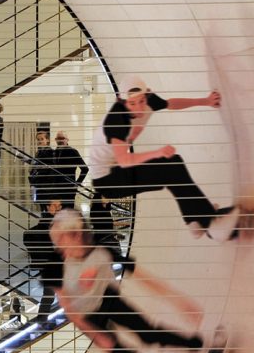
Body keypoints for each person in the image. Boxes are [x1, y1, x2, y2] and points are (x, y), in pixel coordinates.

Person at [51, 210, 224, 353]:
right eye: (62, 240)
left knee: (150, 335)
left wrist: (178, 300)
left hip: (109, 300)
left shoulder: (102, 252)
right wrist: (96, 335)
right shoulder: (56, 269)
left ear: (80, 234)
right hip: (91, 318)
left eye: (70, 237)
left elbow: (143, 276)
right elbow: (69, 310)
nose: (67, 245)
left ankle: (202, 345)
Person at [86, 84, 239, 253]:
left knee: (173, 165)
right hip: (108, 181)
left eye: (142, 101)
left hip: (115, 170)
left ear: (147, 95)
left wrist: (206, 101)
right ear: (122, 102)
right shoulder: (116, 120)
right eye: (132, 104)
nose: (139, 108)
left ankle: (195, 222)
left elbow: (171, 103)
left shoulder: (149, 101)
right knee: (170, 167)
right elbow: (125, 160)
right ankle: (210, 224)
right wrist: (157, 153)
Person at [24, 199, 66, 313]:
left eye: (60, 205)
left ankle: (42, 320)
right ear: (47, 207)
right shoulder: (47, 222)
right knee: (50, 294)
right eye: (55, 205)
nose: (58, 208)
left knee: (50, 294)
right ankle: (42, 320)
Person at [32, 130, 86, 206]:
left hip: (68, 189)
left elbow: (85, 169)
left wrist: (77, 183)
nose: (60, 140)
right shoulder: (55, 152)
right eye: (58, 138)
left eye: (62, 138)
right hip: (56, 190)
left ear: (67, 140)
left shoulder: (73, 152)